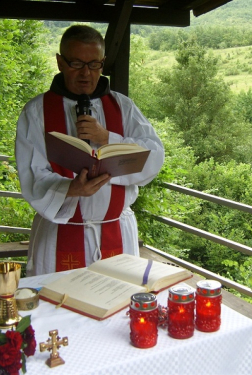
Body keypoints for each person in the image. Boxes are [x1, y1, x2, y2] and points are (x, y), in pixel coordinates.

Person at [15, 25, 164, 276]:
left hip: (115, 231)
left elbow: (154, 157)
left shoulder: (122, 106)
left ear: (103, 64)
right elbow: (32, 171)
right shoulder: (37, 110)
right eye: (76, 63)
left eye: (94, 64)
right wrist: (70, 189)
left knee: (116, 308)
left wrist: (107, 138)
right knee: (58, 309)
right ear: (60, 62)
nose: (86, 73)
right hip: (60, 233)